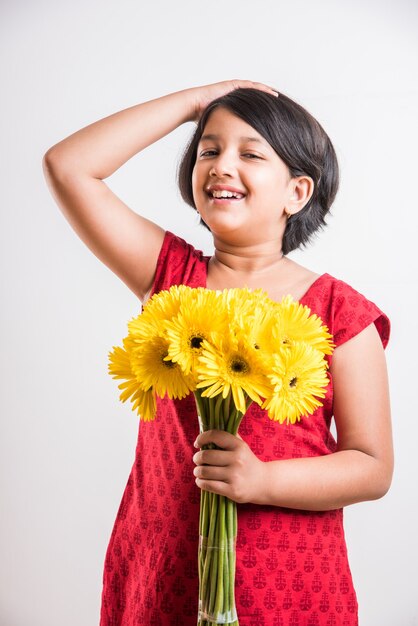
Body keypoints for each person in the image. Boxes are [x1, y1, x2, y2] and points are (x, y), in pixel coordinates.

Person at [43, 80, 393, 626]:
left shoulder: (339, 312)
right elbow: (68, 166)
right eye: (210, 149)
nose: (221, 165)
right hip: (165, 576)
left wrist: (264, 481)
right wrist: (194, 102)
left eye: (250, 153)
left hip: (290, 587)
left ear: (296, 193)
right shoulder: (171, 278)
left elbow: (372, 467)